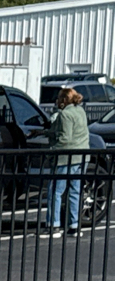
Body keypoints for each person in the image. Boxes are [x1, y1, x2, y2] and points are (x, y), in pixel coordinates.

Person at [47, 86, 88, 233]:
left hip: (66, 157)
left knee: (55, 191)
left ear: (64, 100)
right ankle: (74, 225)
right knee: (75, 191)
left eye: (59, 98)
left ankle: (54, 224)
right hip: (82, 156)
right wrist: (45, 132)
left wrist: (52, 151)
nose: (57, 101)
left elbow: (65, 138)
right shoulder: (80, 111)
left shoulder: (65, 114)